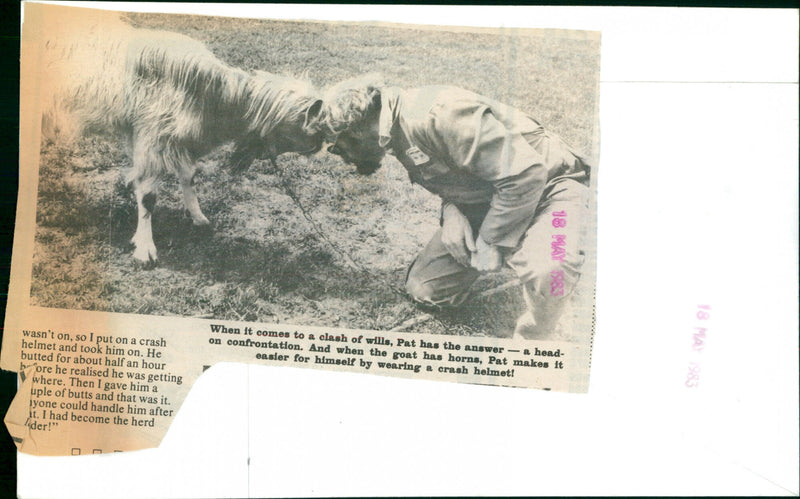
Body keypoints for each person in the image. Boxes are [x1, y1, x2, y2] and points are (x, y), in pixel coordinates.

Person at [320, 74, 592, 338]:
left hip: (552, 185)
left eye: (337, 148)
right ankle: (527, 246)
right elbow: (453, 174)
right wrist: (451, 212)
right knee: (425, 289)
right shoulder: (395, 126)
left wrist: (490, 242)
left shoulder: (434, 115)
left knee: (551, 272)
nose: (342, 157)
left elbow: (527, 173)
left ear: (353, 130)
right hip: (496, 194)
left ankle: (538, 342)